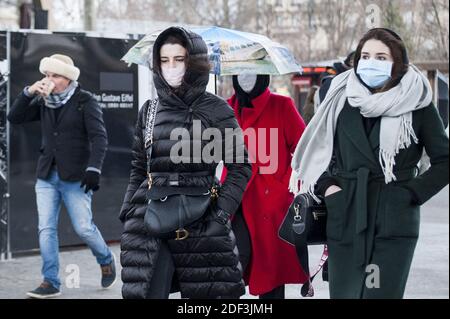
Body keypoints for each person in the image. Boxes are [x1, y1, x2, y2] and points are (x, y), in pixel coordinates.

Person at [289, 28, 449, 299]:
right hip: (347, 214)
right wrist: (329, 187)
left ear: (398, 63)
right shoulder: (341, 99)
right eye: (365, 55)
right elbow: (322, 151)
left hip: (393, 219)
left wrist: (410, 193)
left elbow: (444, 160)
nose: (371, 62)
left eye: (381, 57)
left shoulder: (417, 103)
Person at [119, 27, 252, 299]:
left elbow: (240, 167)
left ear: (193, 62)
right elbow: (137, 166)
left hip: (202, 219)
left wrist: (221, 214)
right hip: (150, 219)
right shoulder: (150, 110)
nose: (171, 67)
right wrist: (128, 209)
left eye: (178, 60)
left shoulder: (216, 109)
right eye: (164, 60)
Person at [7, 54, 115, 298]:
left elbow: (100, 138)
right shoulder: (44, 101)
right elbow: (15, 117)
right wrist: (28, 92)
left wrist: (94, 169)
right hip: (46, 175)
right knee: (46, 228)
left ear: (67, 77)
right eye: (46, 75)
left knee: (84, 228)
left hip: (75, 176)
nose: (49, 80)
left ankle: (106, 258)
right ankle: (51, 281)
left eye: (54, 75)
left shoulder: (84, 101)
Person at [228, 74, 308, 299]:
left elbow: (304, 149)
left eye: (251, 71)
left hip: (269, 204)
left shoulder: (281, 105)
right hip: (235, 201)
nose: (245, 77)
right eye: (240, 71)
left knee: (271, 276)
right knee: (229, 268)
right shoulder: (225, 108)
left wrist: (284, 186)